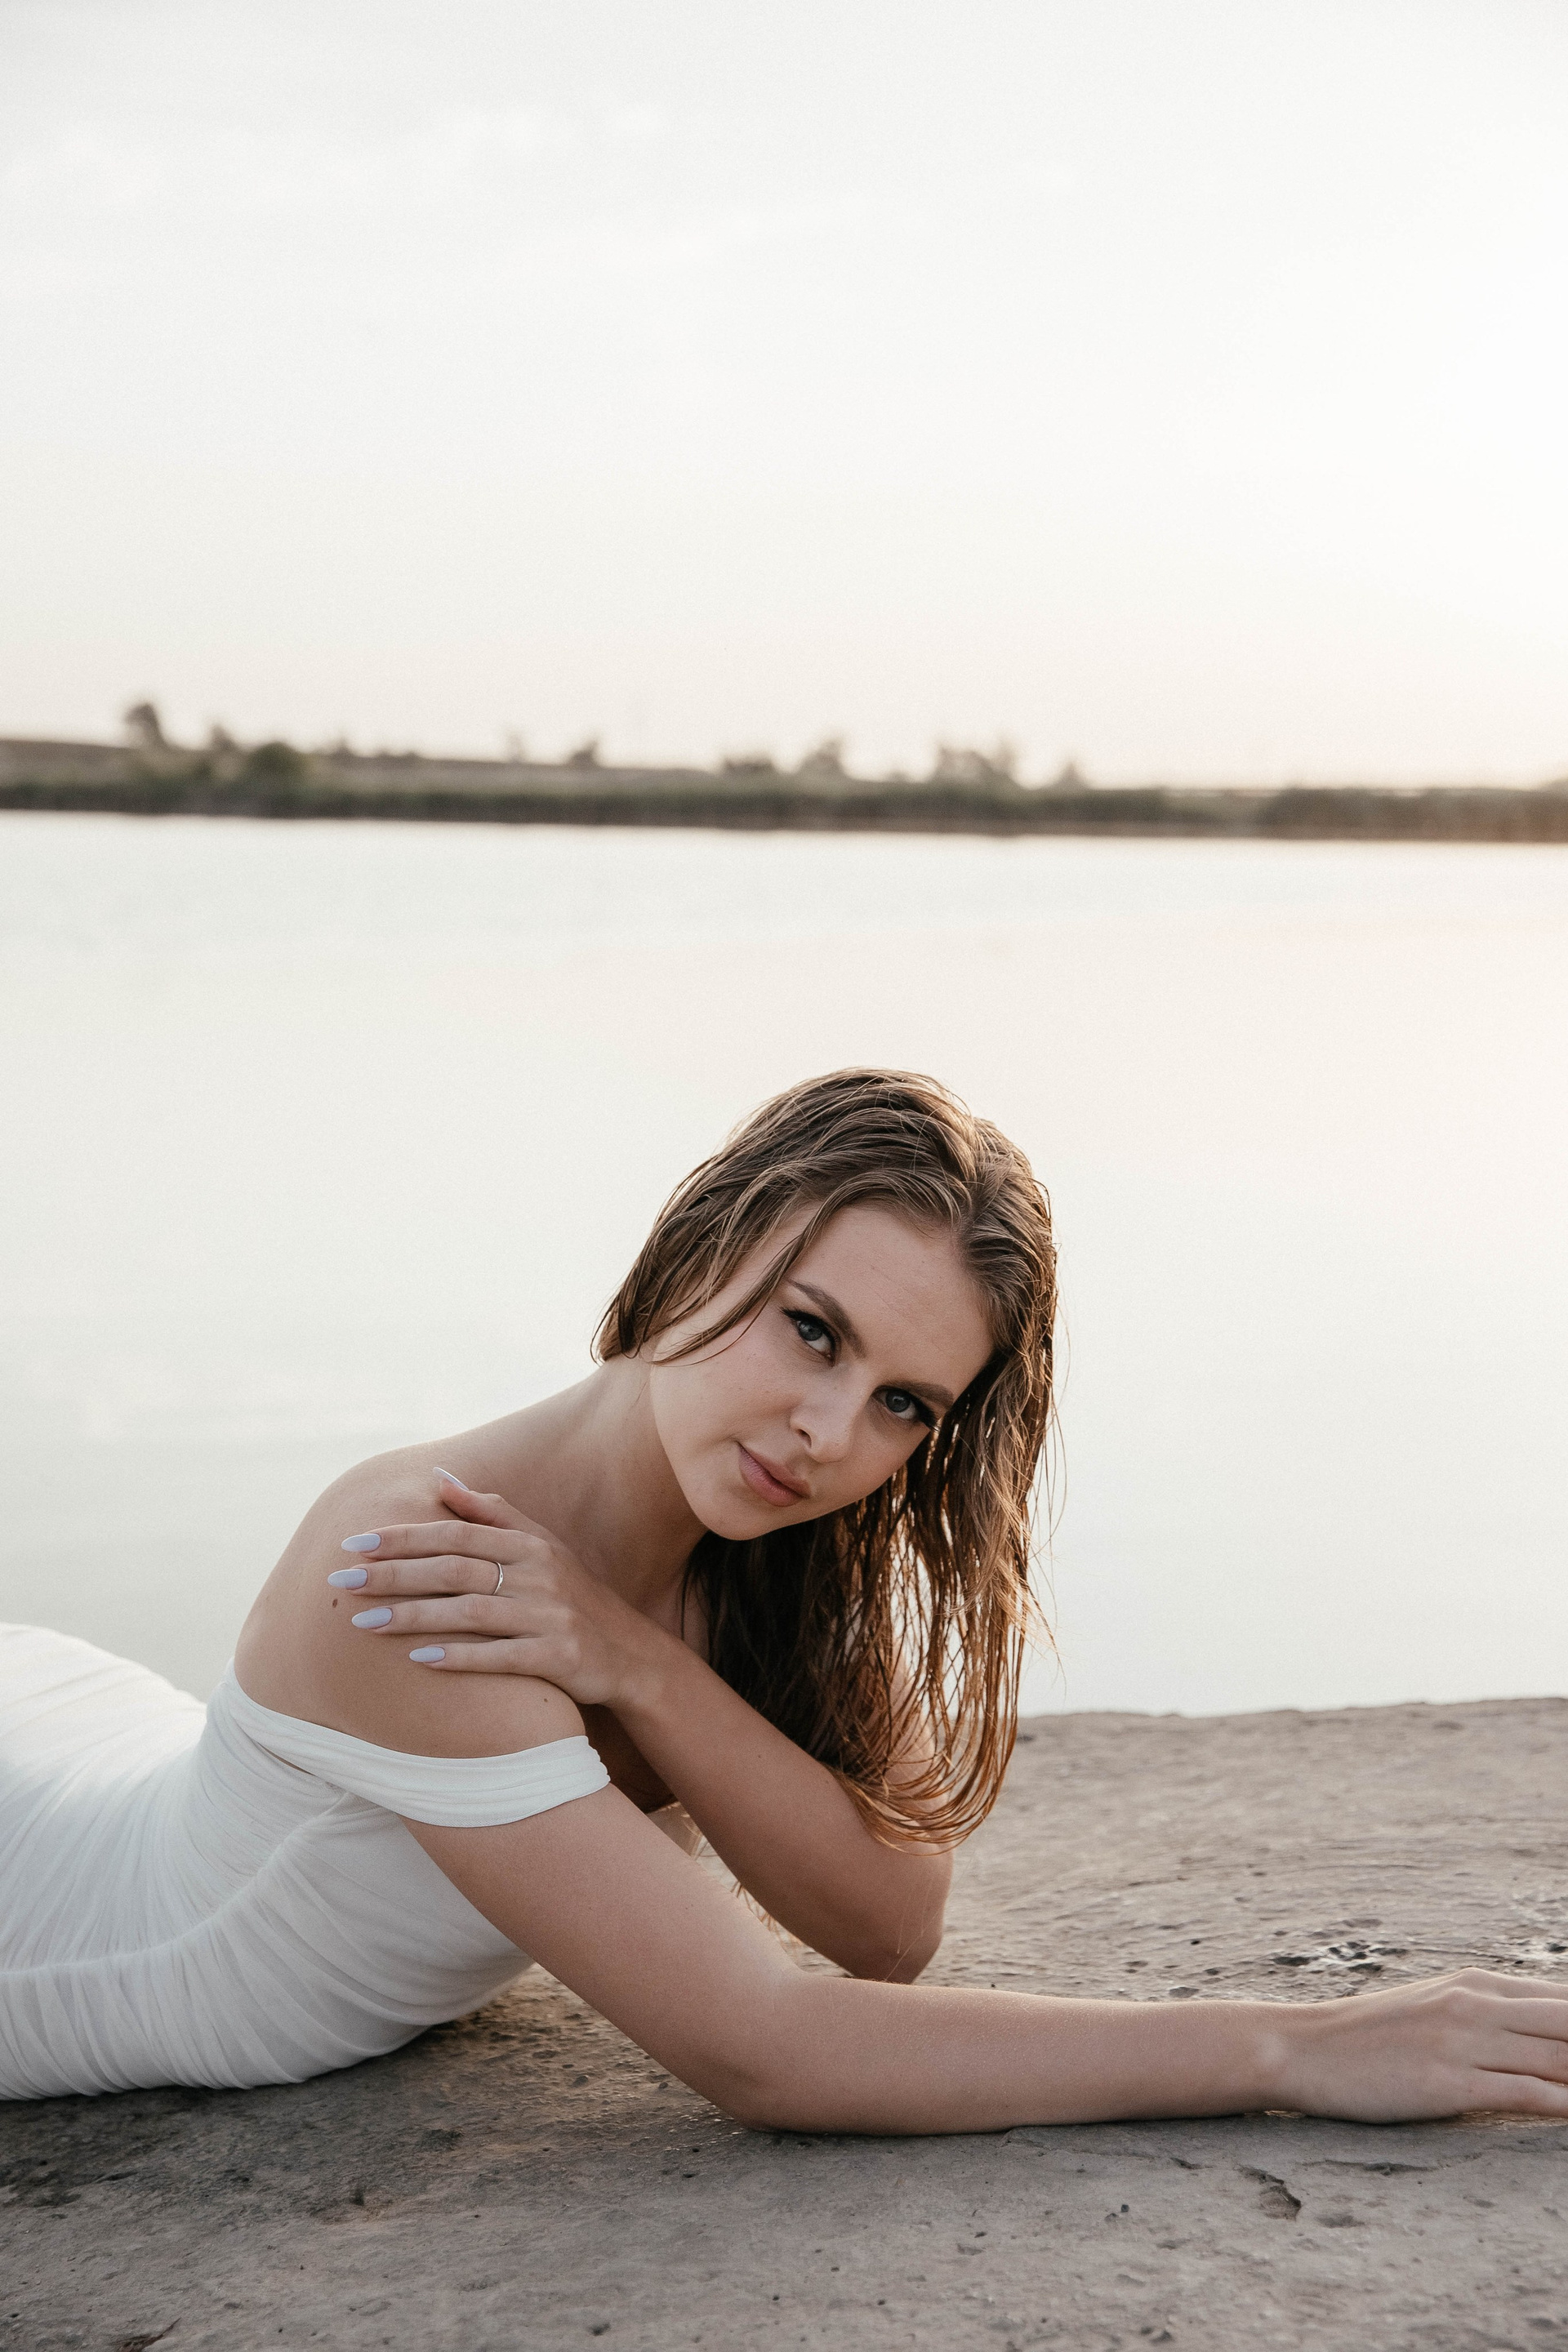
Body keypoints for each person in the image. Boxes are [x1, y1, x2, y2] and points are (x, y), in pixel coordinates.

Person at [3, 1067, 1566, 2123]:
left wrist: (638, 1664)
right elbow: (766, 2049)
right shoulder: (421, 1561)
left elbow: (887, 1928)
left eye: (903, 1404)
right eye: (812, 1330)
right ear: (707, 1245)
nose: (831, 1433)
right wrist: (1296, 2045)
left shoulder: (765, 1548)